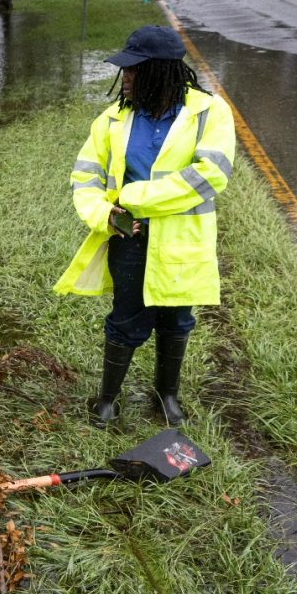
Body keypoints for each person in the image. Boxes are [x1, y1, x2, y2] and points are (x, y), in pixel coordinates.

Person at [54, 26, 235, 428]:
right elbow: (85, 178)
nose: (127, 78)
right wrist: (105, 215)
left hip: (182, 242)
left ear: (162, 72)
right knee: (125, 316)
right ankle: (107, 399)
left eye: (135, 70)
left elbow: (210, 176)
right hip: (130, 241)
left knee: (176, 319)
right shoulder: (113, 119)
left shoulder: (209, 113)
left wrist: (133, 198)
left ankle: (166, 395)